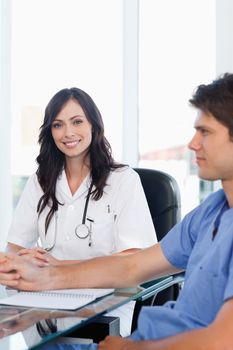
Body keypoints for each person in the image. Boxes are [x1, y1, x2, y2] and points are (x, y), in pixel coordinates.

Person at [1, 72, 233, 349]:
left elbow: (221, 340)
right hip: (136, 334)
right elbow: (133, 266)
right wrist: (42, 272)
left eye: (204, 131)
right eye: (58, 125)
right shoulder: (209, 212)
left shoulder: (122, 180)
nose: (192, 144)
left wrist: (129, 348)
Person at [4, 87, 157, 336]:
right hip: (46, 302)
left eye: (77, 122)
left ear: (93, 126)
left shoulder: (123, 181)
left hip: (107, 300)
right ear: (49, 132)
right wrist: (23, 260)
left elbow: (134, 260)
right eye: (58, 125)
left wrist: (57, 267)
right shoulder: (40, 180)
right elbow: (15, 247)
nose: (68, 133)